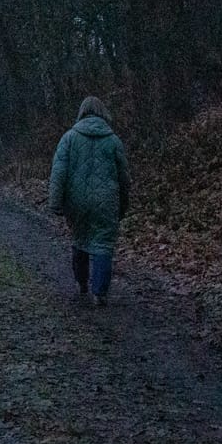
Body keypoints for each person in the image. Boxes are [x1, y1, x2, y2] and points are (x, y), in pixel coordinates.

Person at [47, 96, 131, 307]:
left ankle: (81, 282)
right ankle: (99, 292)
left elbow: (58, 172)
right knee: (103, 244)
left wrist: (55, 202)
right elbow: (124, 177)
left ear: (81, 112)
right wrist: (123, 204)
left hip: (77, 201)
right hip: (106, 200)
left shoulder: (69, 138)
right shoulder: (113, 140)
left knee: (80, 238)